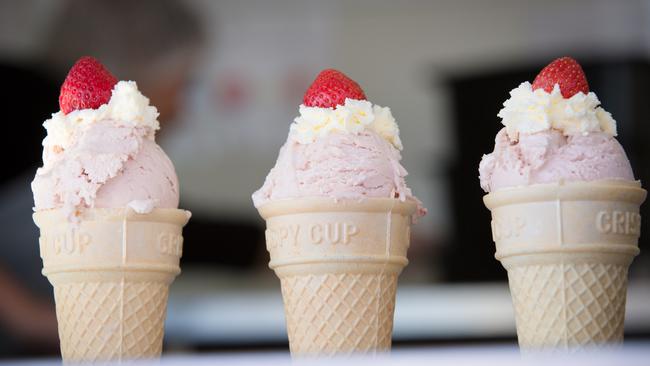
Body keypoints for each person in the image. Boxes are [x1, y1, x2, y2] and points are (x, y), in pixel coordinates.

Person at [0, 0, 204, 356]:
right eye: (183, 83)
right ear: (142, 66)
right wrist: (23, 314)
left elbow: (142, 221)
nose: (182, 108)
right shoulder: (29, 110)